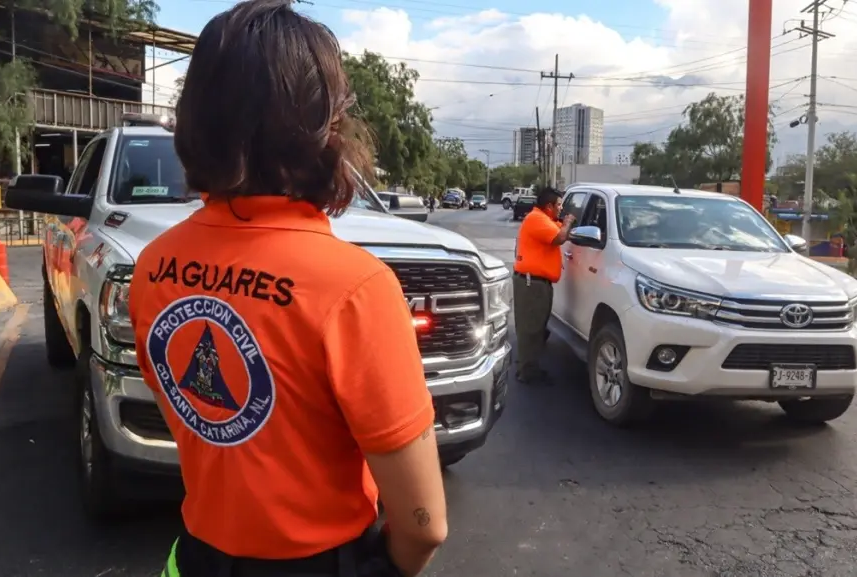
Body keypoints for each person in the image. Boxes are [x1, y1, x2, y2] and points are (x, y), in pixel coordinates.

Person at [126, 2, 447, 576]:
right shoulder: (355, 287)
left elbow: (203, 427)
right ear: (325, 129)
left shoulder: (154, 266)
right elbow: (424, 526)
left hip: (196, 558)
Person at [512, 187, 576, 385]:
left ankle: (527, 364)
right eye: (558, 205)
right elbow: (559, 237)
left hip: (537, 283)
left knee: (536, 326)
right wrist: (568, 223)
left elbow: (562, 232)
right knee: (530, 328)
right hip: (532, 283)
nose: (560, 209)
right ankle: (527, 372)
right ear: (549, 206)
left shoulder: (544, 220)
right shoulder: (536, 219)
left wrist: (566, 225)